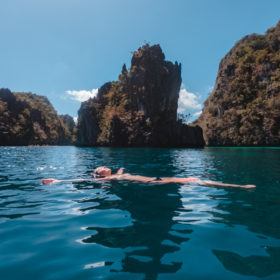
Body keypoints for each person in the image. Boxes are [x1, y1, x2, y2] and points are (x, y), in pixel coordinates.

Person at [42, 166, 256, 189]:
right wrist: (58, 181)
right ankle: (237, 186)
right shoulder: (106, 180)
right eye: (101, 168)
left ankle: (234, 186)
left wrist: (120, 171)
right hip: (151, 182)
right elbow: (83, 181)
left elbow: (119, 173)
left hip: (154, 179)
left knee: (191, 179)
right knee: (193, 180)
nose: (103, 165)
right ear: (101, 175)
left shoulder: (115, 175)